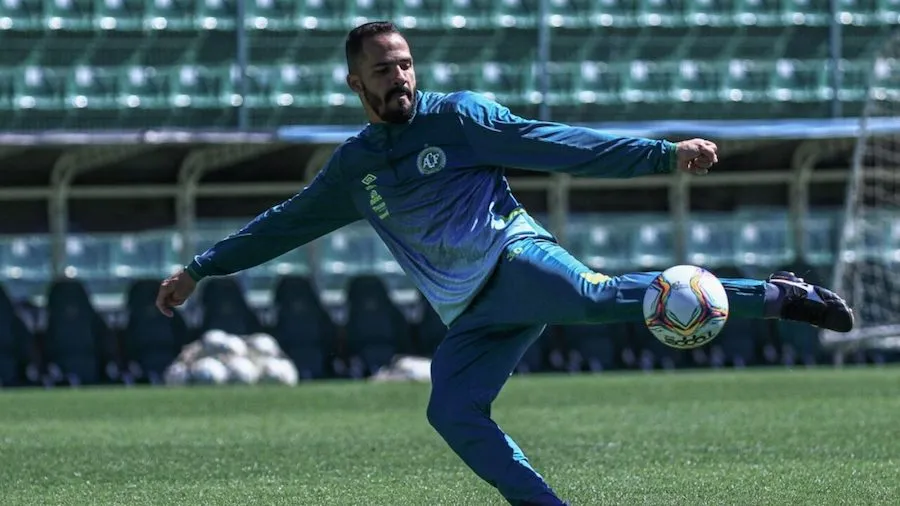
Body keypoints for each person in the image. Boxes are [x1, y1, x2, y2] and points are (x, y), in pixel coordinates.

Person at [155, 21, 854, 506]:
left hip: (514, 257)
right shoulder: (354, 169)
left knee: (595, 297)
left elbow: (562, 145)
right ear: (354, 83)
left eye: (404, 64)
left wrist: (663, 154)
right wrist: (201, 268)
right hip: (471, 311)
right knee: (452, 409)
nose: (398, 77)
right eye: (382, 70)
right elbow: (285, 224)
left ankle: (774, 295)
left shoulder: (459, 117)